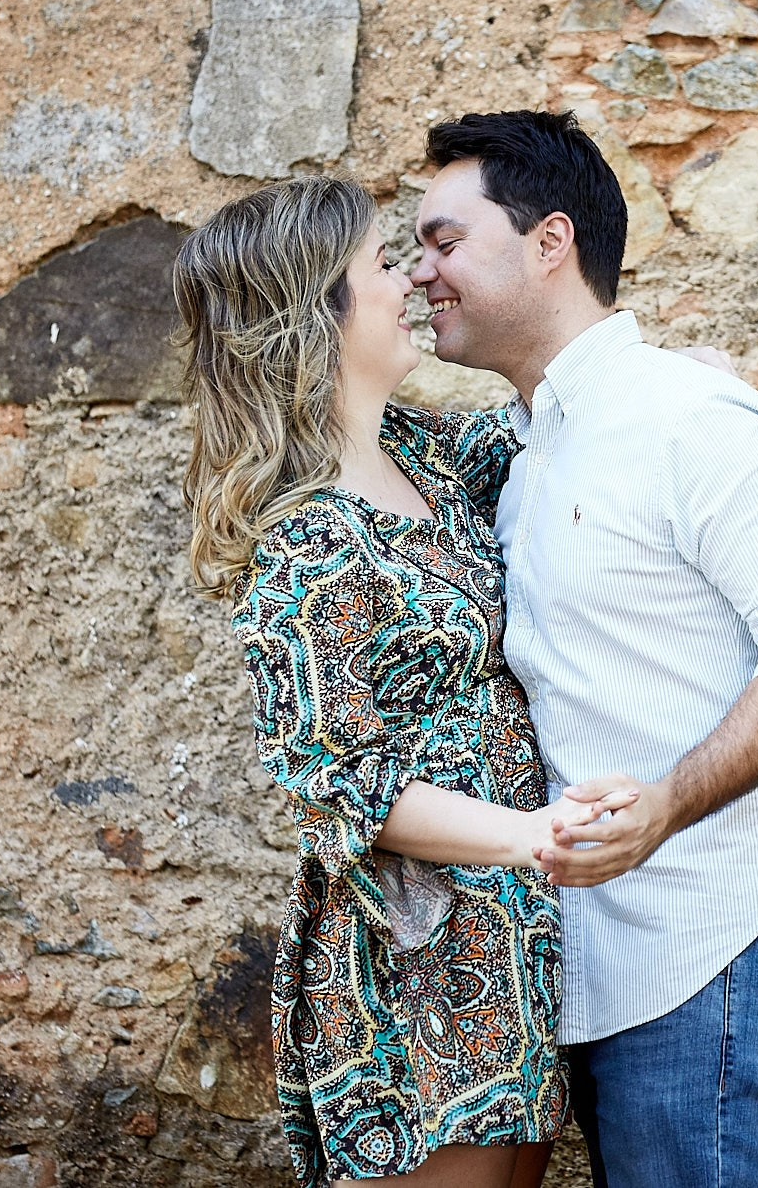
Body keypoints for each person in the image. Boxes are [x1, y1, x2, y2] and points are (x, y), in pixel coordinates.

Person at [411, 111, 758, 1188]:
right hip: (598, 959)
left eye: (441, 240)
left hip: (705, 937)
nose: (420, 270)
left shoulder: (687, 414)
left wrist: (664, 804)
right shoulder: (529, 459)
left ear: (547, 242)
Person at [171, 174, 640, 1188]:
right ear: (316, 315)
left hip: (513, 935)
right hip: (419, 956)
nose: (408, 282)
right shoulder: (306, 538)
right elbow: (334, 784)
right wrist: (531, 836)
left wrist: (677, 382)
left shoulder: (429, 457)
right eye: (378, 267)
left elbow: (569, 429)